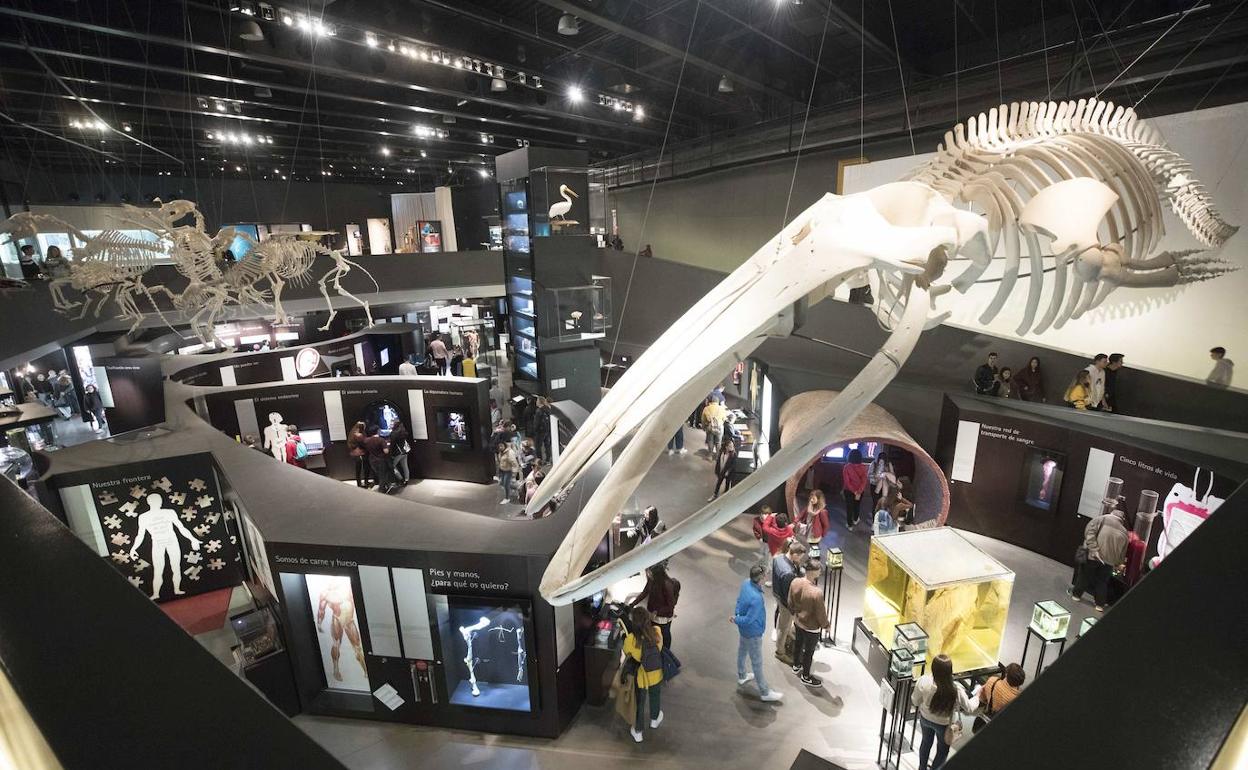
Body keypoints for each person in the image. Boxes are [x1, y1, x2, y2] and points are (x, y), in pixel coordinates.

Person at [732, 564, 784, 702]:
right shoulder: (757, 599)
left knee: (742, 651)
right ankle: (765, 692)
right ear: (761, 579)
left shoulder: (745, 583)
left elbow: (739, 601)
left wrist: (736, 615)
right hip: (753, 633)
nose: (767, 577)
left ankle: (742, 675)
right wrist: (736, 619)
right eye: (765, 575)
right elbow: (749, 619)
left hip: (744, 630)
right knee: (757, 662)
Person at [912, 654, 971, 770]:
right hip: (944, 725)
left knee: (925, 742)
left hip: (925, 718)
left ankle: (922, 768)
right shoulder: (956, 689)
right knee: (943, 750)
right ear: (950, 671)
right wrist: (978, 697)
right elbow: (969, 707)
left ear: (933, 668)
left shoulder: (924, 681)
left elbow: (915, 701)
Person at [1068, 508, 1129, 612]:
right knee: (1102, 582)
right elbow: (1123, 552)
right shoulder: (1124, 532)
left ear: (1112, 513)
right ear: (1122, 519)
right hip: (1109, 562)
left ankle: (1076, 595)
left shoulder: (1101, 519)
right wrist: (1118, 563)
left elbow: (1089, 533)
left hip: (1094, 556)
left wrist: (1094, 548)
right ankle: (1099, 605)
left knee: (1084, 575)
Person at [622, 606, 664, 743]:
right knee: (655, 695)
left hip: (642, 677)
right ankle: (654, 720)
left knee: (639, 703)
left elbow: (626, 651)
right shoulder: (657, 632)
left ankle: (638, 731)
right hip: (656, 673)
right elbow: (660, 647)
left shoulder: (631, 639)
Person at [787, 561, 829, 687]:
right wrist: (826, 625)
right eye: (819, 570)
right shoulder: (816, 592)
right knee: (809, 652)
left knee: (798, 644)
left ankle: (796, 665)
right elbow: (821, 613)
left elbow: (790, 601)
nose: (820, 572)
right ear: (812, 572)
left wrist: (795, 614)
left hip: (798, 621)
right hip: (811, 627)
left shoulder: (795, 582)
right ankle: (805, 676)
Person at [630, 563, 680, 650]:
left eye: (649, 571)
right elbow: (644, 593)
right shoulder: (652, 580)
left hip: (663, 617)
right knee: (654, 632)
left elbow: (670, 606)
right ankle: (656, 649)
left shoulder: (667, 584)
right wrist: (633, 604)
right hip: (653, 613)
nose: (647, 573)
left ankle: (666, 650)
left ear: (657, 572)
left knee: (665, 634)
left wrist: (656, 612)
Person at [771, 540, 806, 663]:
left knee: (783, 622)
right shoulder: (788, 573)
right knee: (784, 626)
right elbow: (789, 595)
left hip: (777, 594)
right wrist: (793, 608)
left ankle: (787, 635)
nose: (800, 559)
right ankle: (780, 652)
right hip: (785, 602)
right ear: (795, 554)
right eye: (800, 557)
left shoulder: (778, 558)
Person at [972, 663, 1025, 733]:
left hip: (986, 721)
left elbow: (982, 698)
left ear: (1006, 675)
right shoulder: (1019, 699)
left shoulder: (992, 681)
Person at [760, 511, 795, 578]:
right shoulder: (789, 530)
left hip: (774, 552)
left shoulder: (772, 531)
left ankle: (774, 578)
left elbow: (765, 527)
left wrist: (770, 517)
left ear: (776, 522)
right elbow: (792, 537)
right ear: (786, 523)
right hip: (785, 551)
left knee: (773, 566)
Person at [842, 447, 868, 528]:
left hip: (848, 491)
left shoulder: (846, 467)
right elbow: (864, 481)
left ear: (849, 456)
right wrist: (858, 492)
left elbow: (847, 482)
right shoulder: (864, 467)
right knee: (857, 505)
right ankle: (856, 519)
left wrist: (854, 491)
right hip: (860, 491)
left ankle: (850, 525)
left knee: (849, 508)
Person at [363, 424, 392, 493]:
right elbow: (386, 451)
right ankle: (381, 490)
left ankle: (386, 485)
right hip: (381, 460)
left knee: (379, 474)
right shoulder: (381, 440)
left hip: (371, 460)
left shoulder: (367, 440)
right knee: (383, 475)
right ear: (378, 431)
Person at [708, 435, 737, 502]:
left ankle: (725, 495)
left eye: (732, 446)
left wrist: (728, 471)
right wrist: (717, 470)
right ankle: (715, 494)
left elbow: (733, 465)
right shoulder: (721, 452)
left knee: (727, 483)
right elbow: (718, 462)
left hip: (728, 473)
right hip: (721, 471)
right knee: (718, 483)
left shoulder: (733, 454)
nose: (732, 448)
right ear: (726, 447)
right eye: (730, 446)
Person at [347, 421, 370, 487]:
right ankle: (365, 482)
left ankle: (359, 483)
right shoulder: (359, 435)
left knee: (358, 469)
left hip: (355, 453)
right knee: (364, 468)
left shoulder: (352, 432)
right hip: (360, 453)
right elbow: (364, 442)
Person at [389, 420, 411, 487]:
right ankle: (406, 480)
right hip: (405, 451)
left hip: (398, 453)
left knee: (392, 466)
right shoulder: (404, 432)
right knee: (405, 466)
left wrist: (391, 453)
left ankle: (401, 479)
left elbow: (392, 445)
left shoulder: (393, 434)